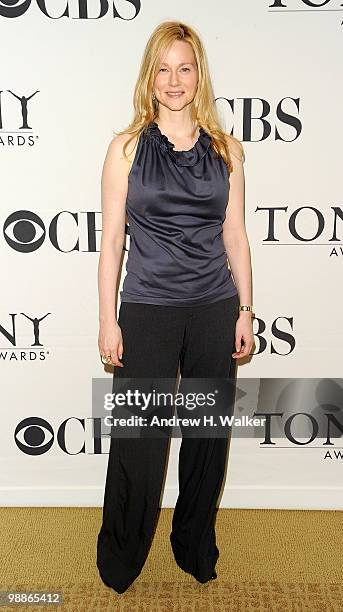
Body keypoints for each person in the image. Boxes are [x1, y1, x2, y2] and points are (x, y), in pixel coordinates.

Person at [96, 20, 255, 594]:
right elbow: (113, 239)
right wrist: (107, 318)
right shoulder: (127, 148)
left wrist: (245, 310)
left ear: (199, 75)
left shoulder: (228, 151)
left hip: (214, 307)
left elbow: (235, 237)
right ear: (149, 76)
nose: (173, 79)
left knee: (208, 437)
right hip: (148, 309)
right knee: (140, 442)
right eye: (162, 68)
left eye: (184, 67)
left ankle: (193, 544)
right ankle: (122, 553)